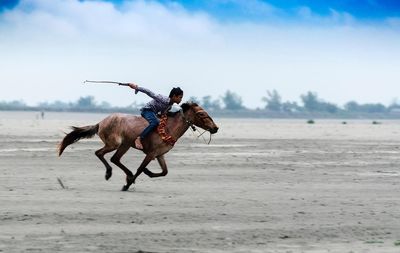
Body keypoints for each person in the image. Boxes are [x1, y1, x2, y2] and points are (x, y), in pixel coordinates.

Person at [128, 83, 184, 150]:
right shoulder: (163, 98)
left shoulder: (170, 105)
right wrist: (137, 88)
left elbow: (163, 113)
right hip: (147, 110)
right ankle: (139, 138)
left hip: (153, 113)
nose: (181, 100)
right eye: (180, 97)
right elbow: (149, 92)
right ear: (174, 96)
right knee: (155, 122)